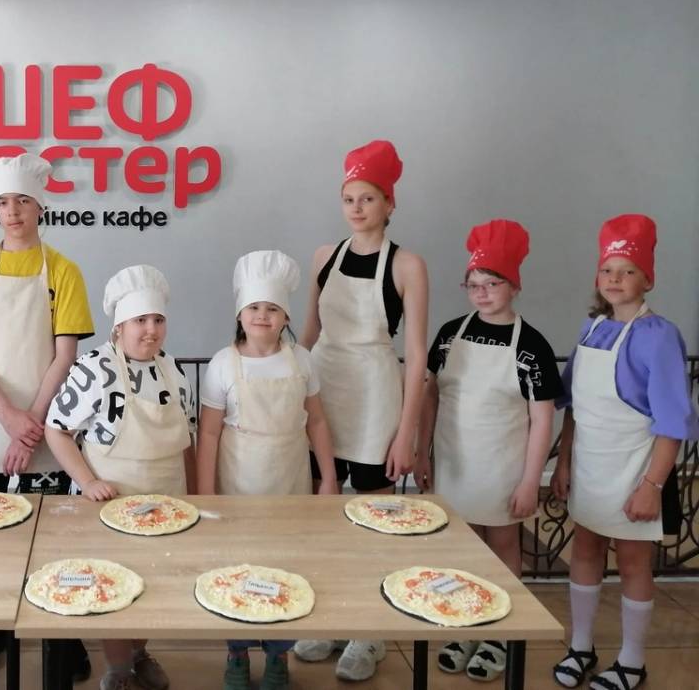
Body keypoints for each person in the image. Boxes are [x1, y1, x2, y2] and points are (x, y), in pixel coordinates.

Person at [0, 153, 94, 679]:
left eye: (23, 202)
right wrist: (8, 417)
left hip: (47, 423)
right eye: (4, 202)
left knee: (50, 541)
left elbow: (65, 355)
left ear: (40, 208)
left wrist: (31, 423)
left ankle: (63, 640)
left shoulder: (64, 271)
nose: (12, 212)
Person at [292, 139, 428, 682]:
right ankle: (330, 615)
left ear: (390, 203)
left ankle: (369, 631)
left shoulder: (408, 265)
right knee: (321, 508)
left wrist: (407, 432)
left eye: (368, 198)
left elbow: (416, 354)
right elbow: (308, 333)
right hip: (325, 383)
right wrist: (291, 391)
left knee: (374, 516)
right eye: (349, 198)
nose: (356, 208)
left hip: (375, 390)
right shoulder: (324, 257)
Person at [549, 215, 697, 690]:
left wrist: (652, 486)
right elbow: (574, 405)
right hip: (590, 465)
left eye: (627, 270)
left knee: (633, 561)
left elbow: (672, 423)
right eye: (607, 270)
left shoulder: (660, 335)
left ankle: (632, 661)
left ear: (647, 279)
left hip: (635, 469)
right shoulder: (591, 328)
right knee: (585, 551)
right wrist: (564, 462)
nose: (614, 279)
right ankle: (581, 646)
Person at [414, 220, 561, 682]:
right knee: (463, 544)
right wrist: (422, 452)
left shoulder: (531, 346)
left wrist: (530, 481)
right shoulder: (449, 334)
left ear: (514, 286)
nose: (481, 293)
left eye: (492, 284)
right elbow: (431, 395)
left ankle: (500, 633)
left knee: (502, 545)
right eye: (473, 284)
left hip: (503, 468)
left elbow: (542, 419)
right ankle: (465, 619)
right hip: (454, 461)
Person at [45, 265, 196, 690]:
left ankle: (139, 652)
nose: (151, 330)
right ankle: (118, 670)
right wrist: (87, 481)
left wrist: (197, 496)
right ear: (119, 326)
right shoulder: (95, 368)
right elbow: (56, 429)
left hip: (166, 502)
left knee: (155, 582)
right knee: (113, 584)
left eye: (158, 320)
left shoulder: (173, 369)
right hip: (109, 505)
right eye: (140, 320)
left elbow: (188, 437)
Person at [196, 250, 338, 690]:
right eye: (254, 307)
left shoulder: (302, 360)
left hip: (290, 481)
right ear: (240, 314)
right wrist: (205, 494)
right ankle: (237, 653)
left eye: (272, 308)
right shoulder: (223, 363)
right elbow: (209, 434)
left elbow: (317, 422)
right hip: (237, 483)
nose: (262, 315)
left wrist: (329, 478)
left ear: (285, 317)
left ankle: (279, 654)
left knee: (286, 567)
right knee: (237, 568)